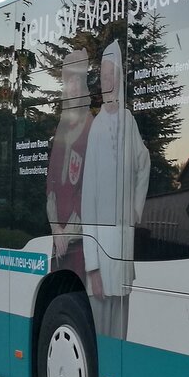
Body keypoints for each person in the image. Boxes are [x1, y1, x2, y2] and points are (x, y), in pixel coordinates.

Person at [80, 40, 150, 340]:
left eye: (112, 75)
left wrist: (135, 208)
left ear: (119, 79)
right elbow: (88, 201)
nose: (108, 81)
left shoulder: (129, 120)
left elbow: (143, 163)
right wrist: (92, 267)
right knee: (100, 329)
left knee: (122, 328)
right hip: (101, 247)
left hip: (123, 242)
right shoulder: (95, 128)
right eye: (104, 75)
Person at [45, 48, 93, 274]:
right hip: (59, 240)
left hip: (80, 241)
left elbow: (90, 189)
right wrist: (56, 229)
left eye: (76, 81)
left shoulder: (91, 127)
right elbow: (51, 183)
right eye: (68, 82)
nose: (72, 87)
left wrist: (68, 232)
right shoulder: (62, 127)